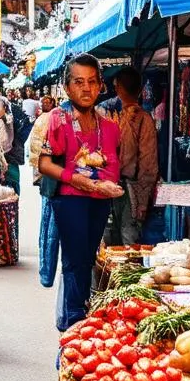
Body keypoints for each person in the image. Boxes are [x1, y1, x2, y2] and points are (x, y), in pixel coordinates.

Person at [38, 54, 124, 330]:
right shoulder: (58, 120)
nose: (86, 89)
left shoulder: (110, 128)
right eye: (78, 82)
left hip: (99, 201)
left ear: (101, 86)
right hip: (70, 200)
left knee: (88, 258)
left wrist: (106, 185)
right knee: (75, 261)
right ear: (66, 87)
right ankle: (74, 324)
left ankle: (77, 315)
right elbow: (44, 164)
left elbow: (111, 164)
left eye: (92, 82)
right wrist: (79, 181)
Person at [110, 67, 159, 244]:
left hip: (130, 188)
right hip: (114, 185)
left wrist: (143, 202)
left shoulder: (140, 119)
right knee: (117, 238)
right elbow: (149, 163)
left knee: (126, 238)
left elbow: (148, 164)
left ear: (119, 89)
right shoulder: (119, 116)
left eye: (117, 86)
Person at [29, 94, 60, 288]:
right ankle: (47, 275)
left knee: (50, 231)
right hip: (53, 183)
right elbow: (35, 151)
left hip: (53, 182)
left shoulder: (46, 119)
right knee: (50, 231)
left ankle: (47, 274)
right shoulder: (48, 119)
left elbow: (35, 151)